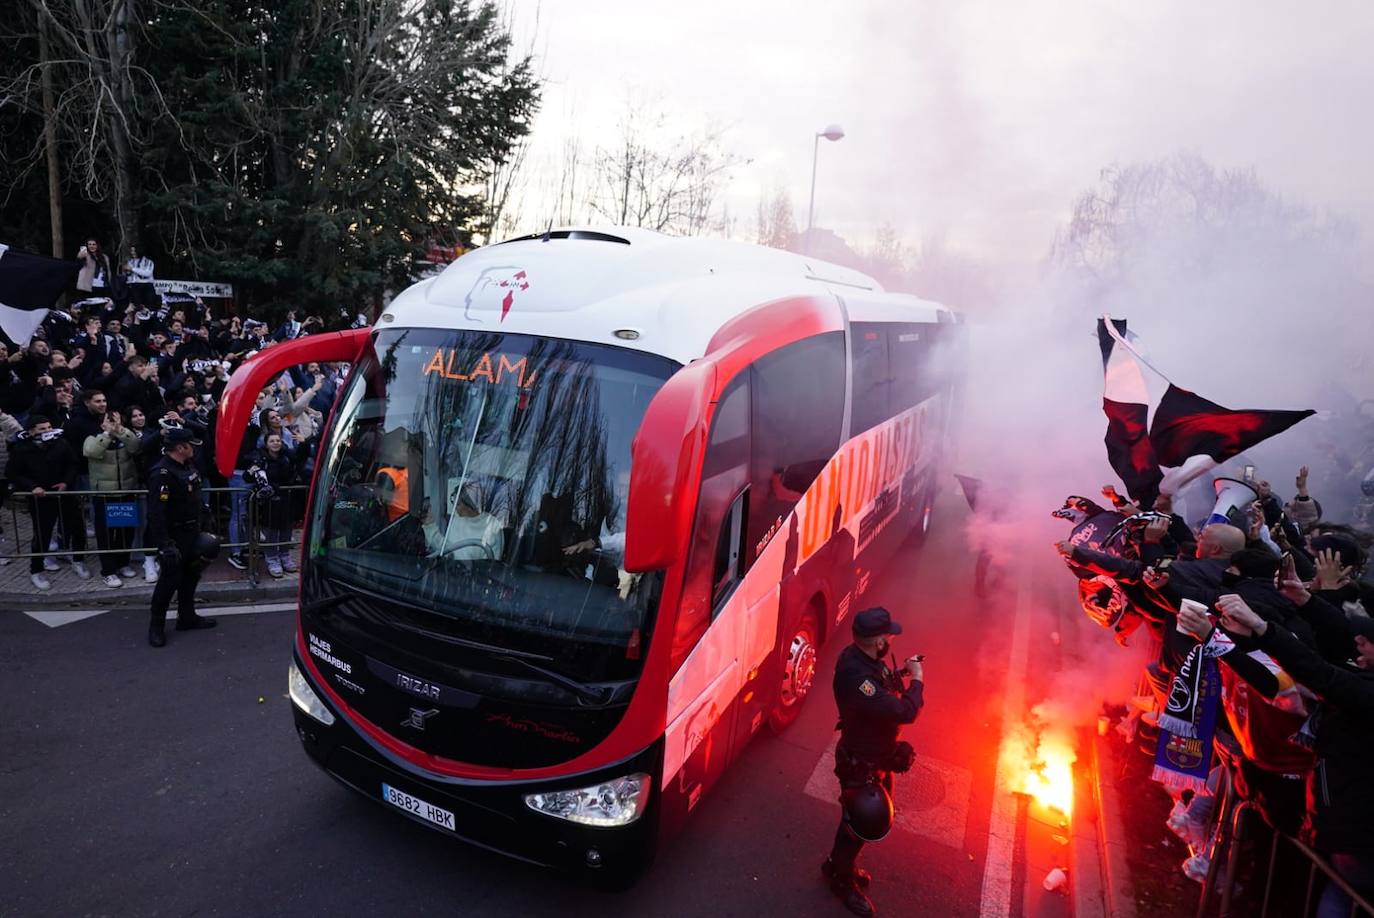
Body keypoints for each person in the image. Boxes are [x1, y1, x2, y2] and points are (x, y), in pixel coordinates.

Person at [824, 607, 925, 917]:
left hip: (877, 756)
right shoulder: (858, 679)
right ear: (876, 641)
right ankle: (840, 879)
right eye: (888, 637)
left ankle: (839, 866)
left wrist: (901, 674)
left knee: (857, 822)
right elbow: (904, 712)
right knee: (860, 823)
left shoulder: (862, 659)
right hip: (861, 763)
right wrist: (918, 682)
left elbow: (880, 686)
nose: (890, 641)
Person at [145, 425, 217, 647]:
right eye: (190, 445)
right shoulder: (162, 474)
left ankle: (187, 617)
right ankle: (156, 626)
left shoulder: (187, 465)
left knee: (191, 576)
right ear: (179, 447)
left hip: (192, 531)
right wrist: (165, 544)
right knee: (169, 582)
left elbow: (193, 494)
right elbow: (156, 514)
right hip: (174, 535)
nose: (194, 449)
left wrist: (205, 514)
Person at [7, 414, 90, 589]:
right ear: (31, 431)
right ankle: (36, 570)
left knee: (77, 529)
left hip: (65, 494)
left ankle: (78, 560)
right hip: (40, 497)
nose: (47, 431)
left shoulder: (61, 443)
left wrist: (66, 482)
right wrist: (33, 487)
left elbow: (73, 464)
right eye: (42, 429)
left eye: (49, 427)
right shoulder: (21, 448)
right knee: (42, 535)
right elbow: (14, 472)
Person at [83, 400, 141, 587]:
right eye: (109, 421)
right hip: (104, 494)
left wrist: (121, 431)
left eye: (116, 421)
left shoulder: (125, 436)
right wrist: (107, 433)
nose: (114, 424)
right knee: (106, 535)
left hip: (126, 490)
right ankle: (108, 571)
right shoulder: (94, 437)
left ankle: (123, 563)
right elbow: (91, 451)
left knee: (125, 531)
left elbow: (135, 446)